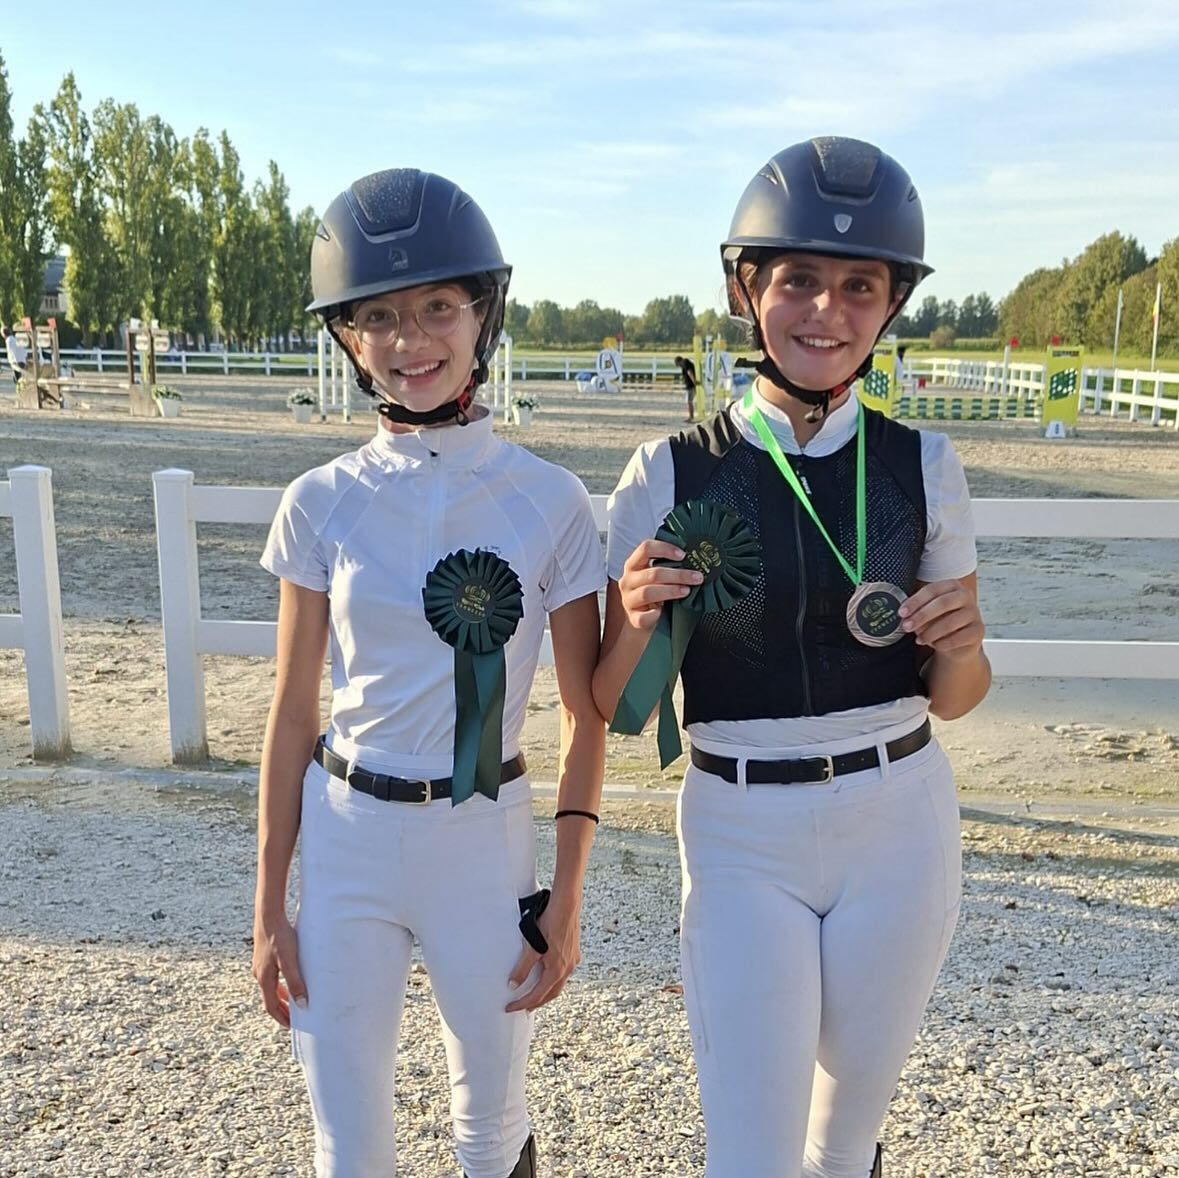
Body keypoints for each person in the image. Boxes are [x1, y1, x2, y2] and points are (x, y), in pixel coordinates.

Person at [594, 137, 989, 1177]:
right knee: (753, 1151)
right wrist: (634, 614)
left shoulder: (923, 463)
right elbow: (608, 703)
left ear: (890, 303)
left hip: (898, 817)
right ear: (746, 287)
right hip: (740, 828)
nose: (827, 309)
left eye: (859, 286)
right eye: (799, 280)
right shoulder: (671, 469)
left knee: (842, 1141)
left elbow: (958, 696)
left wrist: (964, 642)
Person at [252, 168, 606, 1178]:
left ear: (482, 312)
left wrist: (567, 897)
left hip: (479, 835)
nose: (411, 339)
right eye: (382, 316)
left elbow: (587, 717)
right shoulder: (320, 502)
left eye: (437, 307)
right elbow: (287, 716)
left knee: (488, 1131)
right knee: (347, 1142)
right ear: (350, 339)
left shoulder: (550, 501)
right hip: (350, 832)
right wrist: (270, 901)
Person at [673, 353, 698, 421]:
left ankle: (691, 417)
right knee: (690, 401)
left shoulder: (684, 363)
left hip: (690, 386)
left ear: (678, 362)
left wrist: (694, 381)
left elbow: (689, 372)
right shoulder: (687, 363)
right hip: (691, 385)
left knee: (689, 402)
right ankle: (691, 416)